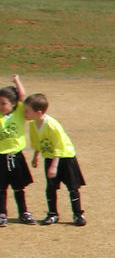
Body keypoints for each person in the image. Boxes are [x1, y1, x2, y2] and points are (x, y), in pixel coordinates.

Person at [24, 92, 87, 226]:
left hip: (64, 157)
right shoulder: (33, 124)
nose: (24, 113)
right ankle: (52, 214)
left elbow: (60, 145)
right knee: (51, 187)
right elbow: (37, 142)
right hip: (49, 157)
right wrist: (36, 156)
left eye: (27, 111)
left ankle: (78, 214)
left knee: (72, 187)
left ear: (39, 112)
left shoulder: (52, 125)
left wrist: (54, 166)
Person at [0, 73, 35, 226]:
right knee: (1, 188)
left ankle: (23, 212)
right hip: (1, 157)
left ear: (13, 104)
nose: (0, 106)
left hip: (16, 156)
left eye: (3, 103)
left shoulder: (20, 112)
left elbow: (22, 95)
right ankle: (2, 213)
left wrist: (17, 80)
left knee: (19, 187)